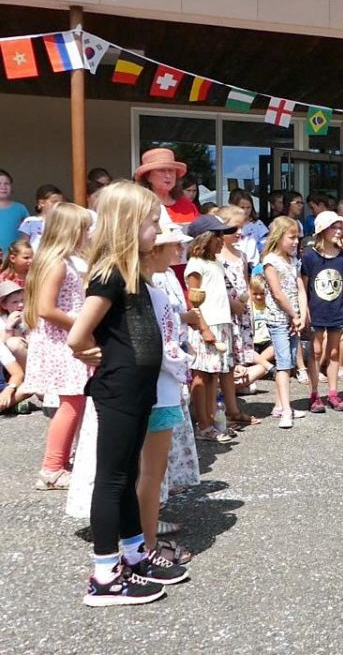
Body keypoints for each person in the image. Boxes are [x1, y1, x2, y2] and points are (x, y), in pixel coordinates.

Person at [68, 181, 188, 606]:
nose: (159, 231)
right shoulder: (110, 274)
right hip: (119, 388)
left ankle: (135, 556)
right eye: (153, 223)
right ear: (128, 225)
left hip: (138, 390)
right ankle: (104, 575)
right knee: (112, 478)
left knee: (127, 477)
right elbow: (78, 335)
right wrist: (89, 351)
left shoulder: (133, 271)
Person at [22, 203, 92, 490]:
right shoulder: (57, 262)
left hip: (68, 337)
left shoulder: (70, 260)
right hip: (61, 340)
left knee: (76, 401)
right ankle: (51, 467)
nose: (89, 234)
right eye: (84, 229)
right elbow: (46, 308)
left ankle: (63, 460)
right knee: (72, 402)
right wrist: (81, 324)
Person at [140, 227, 195, 562]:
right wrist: (183, 363)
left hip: (159, 388)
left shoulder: (154, 285)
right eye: (171, 244)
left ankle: (143, 541)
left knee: (149, 473)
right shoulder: (150, 290)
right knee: (149, 473)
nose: (177, 248)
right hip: (156, 389)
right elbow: (162, 345)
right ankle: (146, 548)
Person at [185, 215, 238, 444]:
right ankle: (203, 424)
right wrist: (204, 328)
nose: (221, 240)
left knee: (213, 375)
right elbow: (193, 301)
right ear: (205, 238)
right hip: (206, 324)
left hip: (221, 323)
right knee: (201, 375)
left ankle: (214, 420)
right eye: (217, 235)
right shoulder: (195, 264)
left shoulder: (214, 262)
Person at [301, 210, 343, 413]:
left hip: (336, 309)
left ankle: (333, 392)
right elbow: (303, 287)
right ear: (322, 230)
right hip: (316, 310)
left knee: (333, 351)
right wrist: (305, 311)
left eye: (340, 227)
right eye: (334, 227)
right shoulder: (309, 256)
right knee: (316, 351)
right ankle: (315, 393)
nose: (339, 231)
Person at [217, 206, 262, 428]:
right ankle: (222, 409)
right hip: (223, 315)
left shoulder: (242, 254)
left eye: (241, 227)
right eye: (233, 228)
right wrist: (230, 303)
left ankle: (230, 408)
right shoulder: (215, 256)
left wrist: (247, 305)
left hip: (241, 316)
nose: (239, 232)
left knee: (234, 362)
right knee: (223, 364)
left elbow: (244, 282)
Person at [262, 216, 308, 428]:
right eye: (291, 237)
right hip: (280, 318)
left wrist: (302, 313)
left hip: (293, 319)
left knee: (288, 360)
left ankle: (280, 405)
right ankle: (286, 410)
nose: (296, 241)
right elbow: (277, 293)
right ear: (279, 237)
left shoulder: (293, 261)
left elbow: (300, 288)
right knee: (283, 363)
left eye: (297, 237)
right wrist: (294, 314)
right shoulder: (271, 260)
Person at [134, 148, 199, 225]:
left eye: (171, 171)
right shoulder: (138, 206)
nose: (168, 176)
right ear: (148, 176)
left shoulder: (188, 206)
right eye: (161, 170)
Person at [18, 184, 65, 251]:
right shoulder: (30, 221)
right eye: (54, 202)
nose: (58, 205)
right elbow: (24, 244)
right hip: (35, 258)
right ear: (41, 203)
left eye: (60, 203)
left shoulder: (63, 221)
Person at [231, 189, 268, 264]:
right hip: (235, 263)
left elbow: (265, 246)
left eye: (248, 207)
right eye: (242, 207)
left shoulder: (258, 224)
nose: (245, 210)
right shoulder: (229, 225)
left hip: (253, 265)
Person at [0, 169, 30, 254]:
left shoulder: (20, 209)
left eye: (6, 184)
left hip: (13, 257)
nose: (3, 187)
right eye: (0, 184)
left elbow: (27, 234)